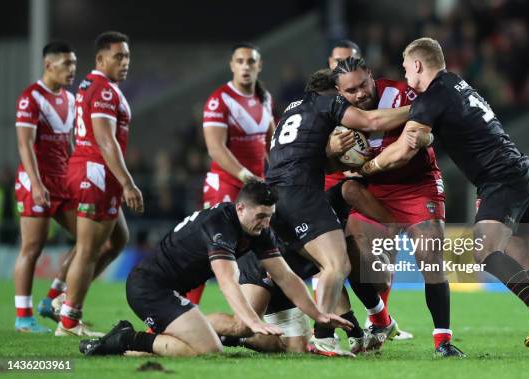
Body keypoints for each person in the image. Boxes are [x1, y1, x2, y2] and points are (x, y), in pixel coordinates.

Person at [362, 37, 529, 357]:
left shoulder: (432, 96)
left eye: (406, 69)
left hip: (501, 179)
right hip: (526, 175)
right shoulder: (458, 84)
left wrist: (368, 166)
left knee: (484, 251)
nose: (405, 77)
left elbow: (403, 150)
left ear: (417, 64)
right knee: (525, 261)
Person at [79, 181, 352, 357]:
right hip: (149, 287)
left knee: (196, 345)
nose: (265, 224)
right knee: (207, 350)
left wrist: (319, 315)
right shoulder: (219, 226)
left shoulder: (258, 229)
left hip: (170, 289)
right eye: (260, 216)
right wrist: (253, 322)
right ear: (241, 207)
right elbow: (227, 281)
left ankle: (126, 342)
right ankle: (127, 339)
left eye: (269, 217)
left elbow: (286, 276)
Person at [265, 68, 411, 354]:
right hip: (301, 196)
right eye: (346, 94)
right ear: (334, 91)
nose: (350, 100)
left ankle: (357, 333)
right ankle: (324, 338)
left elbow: (311, 160)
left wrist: (334, 156)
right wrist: (423, 108)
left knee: (332, 263)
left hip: (277, 201)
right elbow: (372, 120)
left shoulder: (291, 112)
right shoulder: (327, 102)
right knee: (338, 265)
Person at [333, 56, 461, 356]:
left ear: (371, 75)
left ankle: (442, 341)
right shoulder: (338, 114)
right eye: (350, 91)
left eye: (363, 85)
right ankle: (380, 319)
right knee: (352, 260)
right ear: (340, 93)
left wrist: (363, 169)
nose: (360, 94)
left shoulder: (405, 95)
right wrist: (332, 150)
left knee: (430, 258)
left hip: (418, 186)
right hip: (376, 192)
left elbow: (407, 149)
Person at [208, 177, 393, 355]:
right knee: (242, 326)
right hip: (261, 266)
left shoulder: (342, 236)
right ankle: (191, 325)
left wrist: (356, 330)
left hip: (289, 281)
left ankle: (228, 339)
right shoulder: (322, 204)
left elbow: (332, 282)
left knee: (295, 346)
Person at [57, 31, 144, 336]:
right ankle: (68, 319)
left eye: (127, 56)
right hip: (96, 173)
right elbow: (106, 140)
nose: (125, 62)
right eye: (118, 56)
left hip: (91, 169)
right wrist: (128, 183)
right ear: (100, 59)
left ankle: (61, 299)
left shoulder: (88, 85)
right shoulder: (105, 91)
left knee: (118, 239)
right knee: (88, 250)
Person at [187, 42, 275, 305]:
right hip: (225, 185)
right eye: (240, 61)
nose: (245, 66)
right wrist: (245, 175)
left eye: (251, 61)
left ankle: (259, 317)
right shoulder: (219, 100)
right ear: (232, 65)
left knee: (264, 250)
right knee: (211, 252)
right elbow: (215, 148)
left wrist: (277, 175)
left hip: (255, 188)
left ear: (259, 66)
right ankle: (178, 313)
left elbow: (271, 143)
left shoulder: (264, 98)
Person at [13, 41, 77, 333]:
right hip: (36, 181)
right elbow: (25, 144)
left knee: (92, 241)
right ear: (49, 65)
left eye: (74, 63)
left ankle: (52, 297)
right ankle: (23, 318)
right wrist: (36, 183)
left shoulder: (70, 99)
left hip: (64, 181)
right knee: (32, 248)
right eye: (66, 64)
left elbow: (70, 144)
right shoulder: (31, 98)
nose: (72, 69)